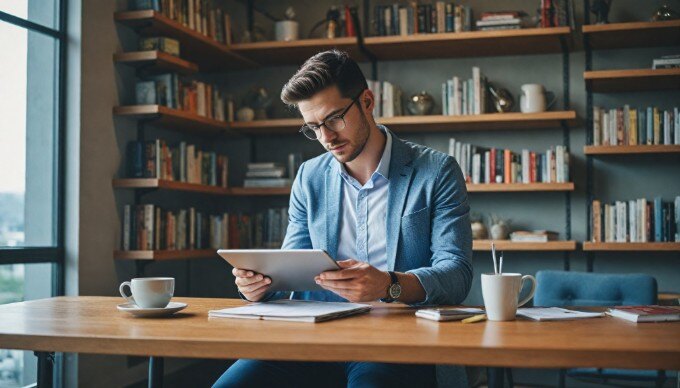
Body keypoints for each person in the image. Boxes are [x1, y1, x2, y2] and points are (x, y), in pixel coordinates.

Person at [213, 50, 472, 388]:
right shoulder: (310, 177)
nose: (326, 137)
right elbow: (290, 272)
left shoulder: (436, 171)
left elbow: (457, 274)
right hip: (312, 339)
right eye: (313, 127)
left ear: (367, 101)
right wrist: (258, 287)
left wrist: (389, 284)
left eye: (334, 118)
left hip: (396, 342)